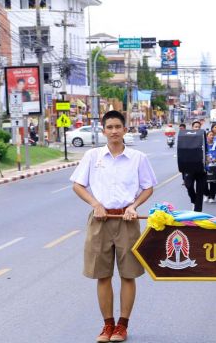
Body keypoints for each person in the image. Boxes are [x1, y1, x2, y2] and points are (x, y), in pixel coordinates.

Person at [70, 110, 157, 343]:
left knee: (128, 274)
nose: (114, 131)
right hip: (100, 221)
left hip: (127, 222)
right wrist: (95, 203)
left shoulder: (138, 158)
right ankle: (107, 325)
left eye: (118, 126)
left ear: (125, 129)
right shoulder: (92, 156)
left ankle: (122, 325)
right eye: (109, 127)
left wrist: (134, 206)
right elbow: (78, 185)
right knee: (102, 275)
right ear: (103, 130)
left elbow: (148, 187)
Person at [183, 120, 207, 211]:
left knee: (200, 190)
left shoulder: (203, 136)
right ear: (192, 128)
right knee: (188, 186)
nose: (197, 128)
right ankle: (193, 200)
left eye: (198, 127)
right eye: (195, 126)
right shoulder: (186, 137)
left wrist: (207, 157)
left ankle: (198, 211)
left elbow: (206, 150)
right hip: (189, 167)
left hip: (201, 167)